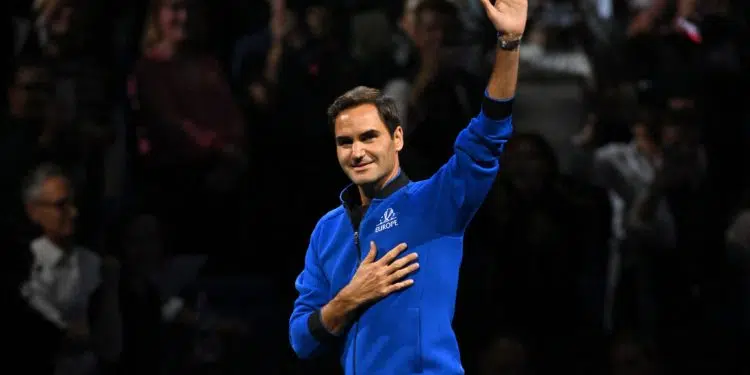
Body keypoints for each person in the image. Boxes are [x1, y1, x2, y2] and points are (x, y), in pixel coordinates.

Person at [288, 0, 527, 374]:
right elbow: (301, 338)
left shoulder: (434, 202)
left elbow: (488, 136)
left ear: (397, 138)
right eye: (345, 142)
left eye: (369, 137)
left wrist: (509, 43)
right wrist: (349, 298)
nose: (357, 152)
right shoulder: (326, 231)